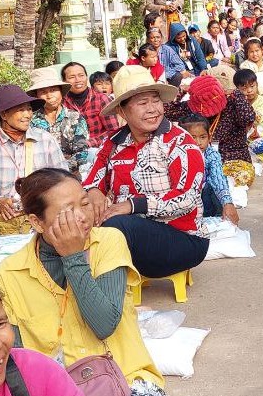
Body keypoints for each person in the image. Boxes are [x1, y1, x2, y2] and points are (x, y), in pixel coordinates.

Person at [0, 168, 166, 396]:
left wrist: (73, 257)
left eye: (85, 203)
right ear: (37, 222)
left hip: (126, 385)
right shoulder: (11, 272)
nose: (83, 216)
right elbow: (19, 357)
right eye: (68, 210)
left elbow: (104, 324)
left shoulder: (108, 241)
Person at [81, 66, 209, 278]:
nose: (152, 109)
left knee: (114, 226)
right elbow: (93, 178)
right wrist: (94, 192)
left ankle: (97, 287)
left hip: (183, 238)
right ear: (122, 111)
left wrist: (132, 205)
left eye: (155, 101)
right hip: (132, 232)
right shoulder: (113, 143)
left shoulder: (179, 142)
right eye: (142, 103)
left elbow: (187, 198)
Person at [0, 86, 69, 236]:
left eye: (29, 109)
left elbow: (64, 181)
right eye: (21, 110)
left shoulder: (45, 140)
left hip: (42, 219)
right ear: (4, 114)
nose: (28, 115)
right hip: (4, 225)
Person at [184, 74, 256, 187]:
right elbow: (168, 110)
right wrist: (181, 91)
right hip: (204, 160)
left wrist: (237, 94)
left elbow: (249, 118)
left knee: (240, 176)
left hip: (234, 161)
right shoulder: (194, 106)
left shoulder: (233, 104)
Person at [175, 113, 239, 224]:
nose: (198, 143)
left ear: (209, 136)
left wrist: (227, 203)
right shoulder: (177, 155)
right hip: (185, 201)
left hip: (206, 199)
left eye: (202, 137)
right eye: (192, 137)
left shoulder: (211, 154)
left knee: (213, 186)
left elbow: (218, 178)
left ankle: (219, 217)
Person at [28, 68, 91, 175]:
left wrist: (60, 170)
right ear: (36, 96)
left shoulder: (75, 118)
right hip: (40, 175)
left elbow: (82, 152)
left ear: (61, 92)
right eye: (43, 92)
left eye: (53, 90)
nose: (49, 96)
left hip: (70, 174)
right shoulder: (31, 120)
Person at [61, 62, 119, 148]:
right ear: (64, 81)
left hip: (98, 149)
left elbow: (113, 130)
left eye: (81, 75)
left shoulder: (102, 99)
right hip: (70, 150)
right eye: (72, 77)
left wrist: (90, 143)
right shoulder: (62, 102)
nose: (78, 80)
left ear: (86, 77)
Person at [234, 68, 263, 168]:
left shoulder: (262, 101)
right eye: (244, 88)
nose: (249, 90)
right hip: (247, 136)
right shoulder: (238, 102)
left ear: (257, 85)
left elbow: (255, 118)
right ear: (237, 89)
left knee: (258, 147)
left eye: (252, 86)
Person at [159, 22, 207, 87]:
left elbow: (200, 57)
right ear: (173, 37)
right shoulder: (168, 47)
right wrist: (182, 72)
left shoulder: (192, 40)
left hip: (196, 69)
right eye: (178, 38)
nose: (182, 39)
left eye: (184, 36)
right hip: (182, 73)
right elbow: (169, 65)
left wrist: (203, 69)